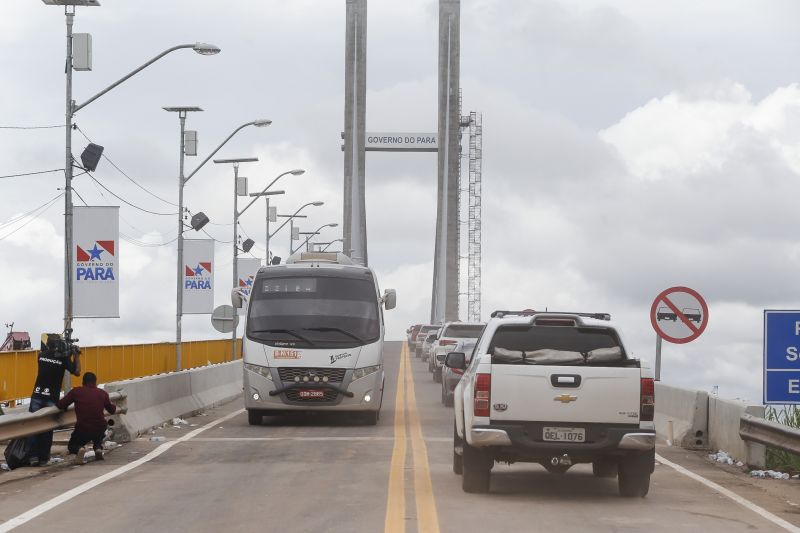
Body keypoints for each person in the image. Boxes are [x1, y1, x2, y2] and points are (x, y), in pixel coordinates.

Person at [27, 333, 80, 466]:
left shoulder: (41, 356)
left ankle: (33, 457)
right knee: (47, 428)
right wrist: (76, 355)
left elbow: (48, 356)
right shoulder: (63, 359)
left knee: (33, 426)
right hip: (51, 398)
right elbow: (77, 371)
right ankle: (44, 458)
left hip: (37, 396)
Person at [57, 372, 116, 464]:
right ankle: (98, 448)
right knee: (98, 432)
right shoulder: (102, 393)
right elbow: (112, 410)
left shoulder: (76, 391)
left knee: (72, 445)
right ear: (95, 382)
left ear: (83, 382)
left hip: (83, 427)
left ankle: (79, 449)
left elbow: (60, 405)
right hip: (100, 426)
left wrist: (65, 408)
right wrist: (115, 406)